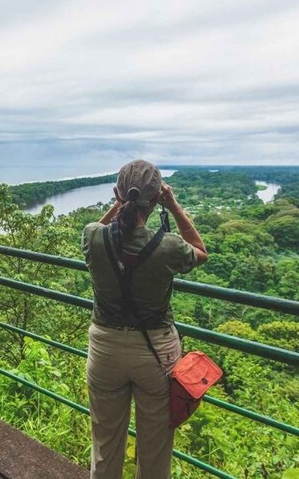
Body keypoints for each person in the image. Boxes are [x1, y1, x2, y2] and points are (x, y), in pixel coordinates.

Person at [82, 160, 208, 479]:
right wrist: (174, 206)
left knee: (105, 445)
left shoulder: (93, 237)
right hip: (156, 355)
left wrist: (117, 206)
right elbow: (200, 251)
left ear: (119, 195)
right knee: (155, 450)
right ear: (156, 200)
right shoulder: (168, 247)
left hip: (105, 350)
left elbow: (95, 234)